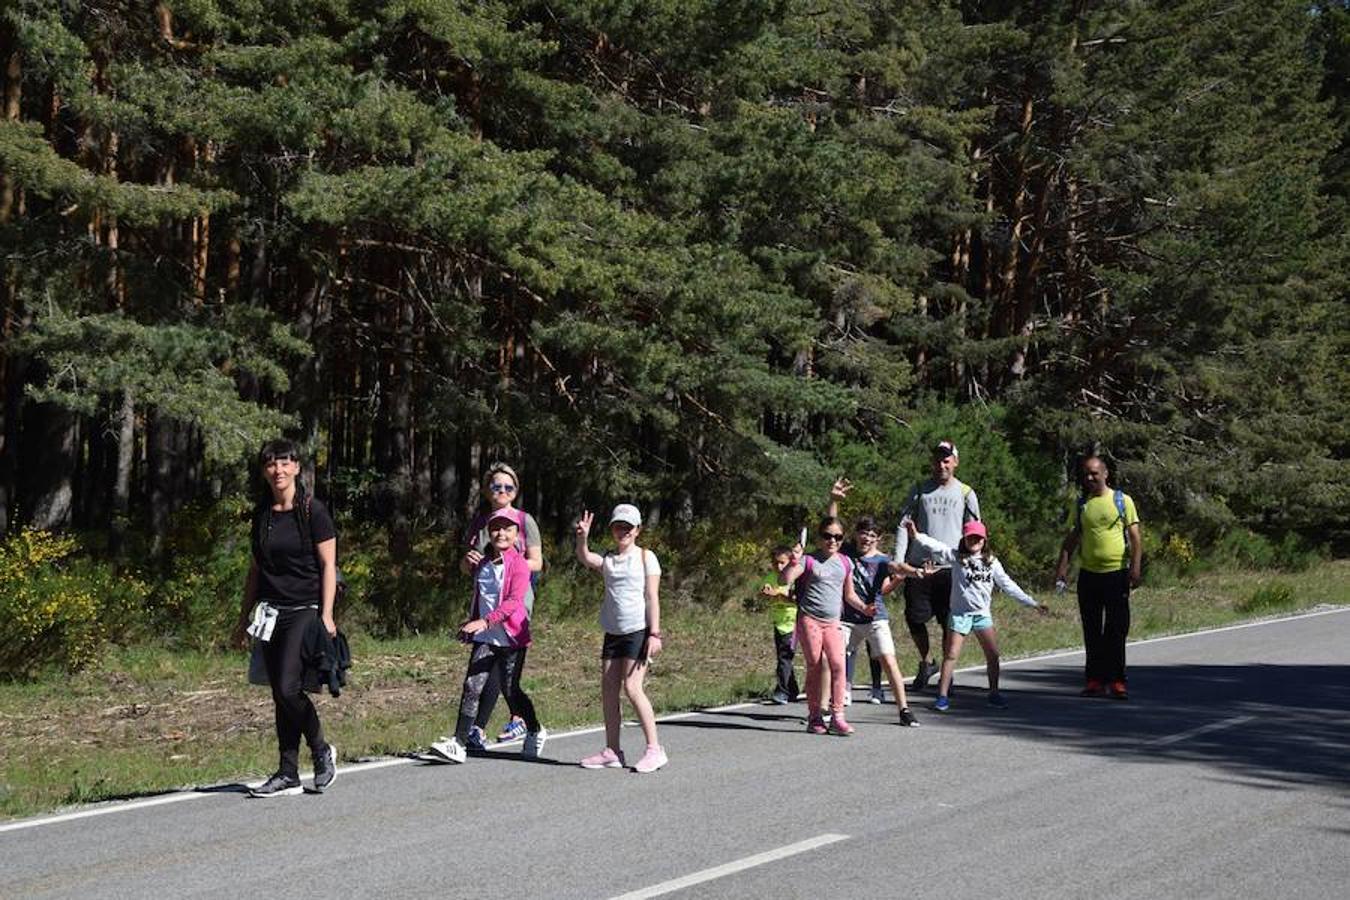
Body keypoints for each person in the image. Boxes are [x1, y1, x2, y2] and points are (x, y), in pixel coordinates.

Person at [232, 439, 339, 797]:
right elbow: (255, 571)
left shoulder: (313, 511)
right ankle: (287, 771)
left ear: (296, 467)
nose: (277, 470)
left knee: (290, 688)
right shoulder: (262, 515)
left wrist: (326, 614)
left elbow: (328, 565)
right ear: (264, 471)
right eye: (270, 464)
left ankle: (322, 751)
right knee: (280, 692)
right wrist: (242, 618)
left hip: (304, 610)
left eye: (284, 463)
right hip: (270, 613)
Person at [428, 509, 547, 763]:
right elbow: (481, 598)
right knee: (472, 685)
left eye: (507, 529)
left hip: (512, 637)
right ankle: (458, 743)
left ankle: (534, 729)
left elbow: (515, 602)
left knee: (510, 690)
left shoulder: (520, 565)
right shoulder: (482, 564)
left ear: (516, 535)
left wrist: (484, 621)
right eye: (496, 529)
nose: (501, 533)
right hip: (486, 637)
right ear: (489, 534)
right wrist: (471, 624)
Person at [906, 519, 1044, 711]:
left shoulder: (992, 562)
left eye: (978, 538)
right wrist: (916, 535)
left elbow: (1008, 584)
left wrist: (1032, 603)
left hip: (981, 615)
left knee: (993, 655)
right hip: (960, 615)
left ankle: (994, 693)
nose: (975, 541)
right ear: (965, 539)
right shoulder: (956, 557)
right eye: (971, 537)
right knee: (951, 655)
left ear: (984, 540)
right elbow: (935, 545)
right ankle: (942, 696)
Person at [574, 504, 668, 773]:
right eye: (618, 526)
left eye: (628, 527)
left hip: (638, 630)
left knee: (633, 688)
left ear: (638, 530)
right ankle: (613, 750)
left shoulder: (646, 557)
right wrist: (582, 537)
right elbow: (585, 557)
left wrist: (655, 633)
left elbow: (652, 597)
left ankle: (654, 750)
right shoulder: (609, 559)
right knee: (608, 690)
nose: (623, 531)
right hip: (613, 632)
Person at [459, 462, 544, 746]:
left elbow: (537, 562)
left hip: (516, 601)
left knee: (501, 666)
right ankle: (472, 732)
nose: (503, 491)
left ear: (516, 491)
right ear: (487, 490)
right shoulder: (479, 522)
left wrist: (510, 563)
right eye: (497, 486)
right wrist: (468, 563)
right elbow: (468, 566)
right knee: (485, 665)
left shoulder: (524, 520)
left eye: (509, 487)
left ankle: (518, 721)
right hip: (486, 601)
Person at [894, 440, 981, 691]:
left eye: (946, 460)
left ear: (955, 462)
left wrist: (973, 563)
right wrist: (899, 560)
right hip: (919, 565)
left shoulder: (966, 493)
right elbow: (904, 523)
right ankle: (927, 661)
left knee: (948, 622)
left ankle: (946, 672)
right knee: (914, 617)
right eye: (937, 460)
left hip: (950, 568)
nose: (941, 465)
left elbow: (975, 531)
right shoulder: (920, 489)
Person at [1054, 456, 1142, 700]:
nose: (1089, 478)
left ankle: (1116, 681)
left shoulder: (1122, 501)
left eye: (1094, 473)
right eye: (1086, 474)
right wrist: (1062, 567)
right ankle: (1094, 680)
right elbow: (1072, 538)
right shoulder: (1082, 504)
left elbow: (1135, 537)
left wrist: (1135, 569)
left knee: (1116, 629)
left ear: (1105, 474)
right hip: (1089, 576)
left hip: (1116, 574)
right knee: (1092, 630)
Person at [779, 516, 876, 736]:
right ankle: (814, 717)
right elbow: (785, 580)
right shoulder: (808, 560)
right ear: (820, 537)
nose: (832, 541)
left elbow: (849, 595)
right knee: (814, 665)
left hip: (833, 622)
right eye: (828, 536)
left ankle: (837, 717)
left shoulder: (845, 562)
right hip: (810, 619)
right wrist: (793, 561)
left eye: (838, 537)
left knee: (838, 665)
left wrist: (864, 608)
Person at [760, 545, 800, 704]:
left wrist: (781, 593)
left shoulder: (794, 577)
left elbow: (797, 598)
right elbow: (764, 592)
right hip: (778, 622)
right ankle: (793, 689)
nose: (779, 567)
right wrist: (766, 591)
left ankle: (782, 691)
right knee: (784, 657)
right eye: (776, 563)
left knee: (784, 657)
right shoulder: (771, 576)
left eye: (783, 563)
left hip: (793, 623)